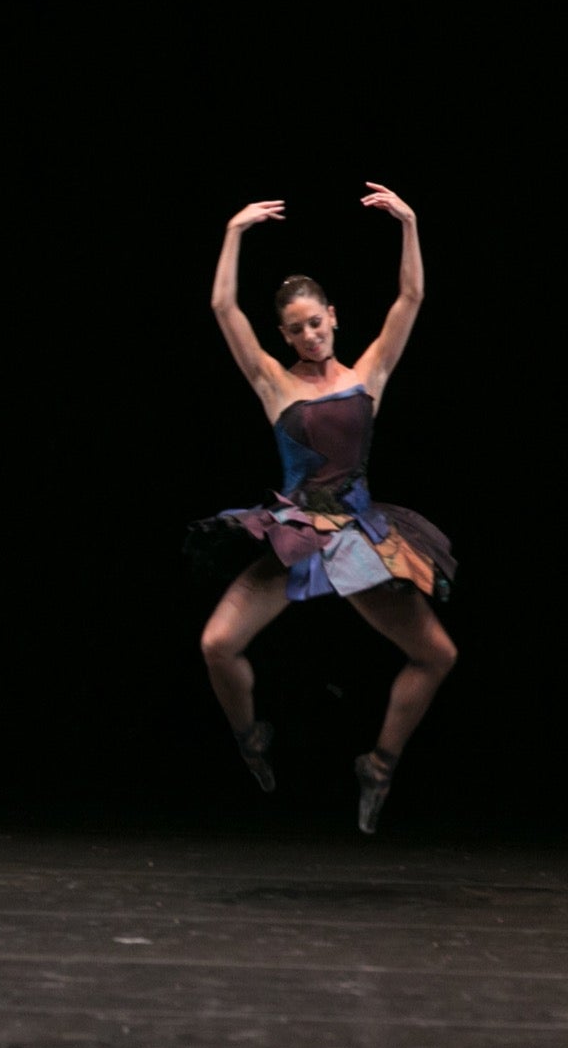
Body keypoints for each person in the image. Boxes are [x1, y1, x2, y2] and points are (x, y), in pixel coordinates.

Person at [192, 183, 457, 834]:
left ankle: (379, 764)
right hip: (299, 537)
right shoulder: (273, 382)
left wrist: (410, 222)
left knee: (437, 655)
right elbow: (222, 306)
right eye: (296, 328)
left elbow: (412, 298)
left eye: (317, 322)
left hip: (363, 539)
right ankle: (252, 737)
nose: (309, 334)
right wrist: (233, 230)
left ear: (334, 317)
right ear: (283, 334)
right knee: (217, 644)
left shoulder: (368, 375)